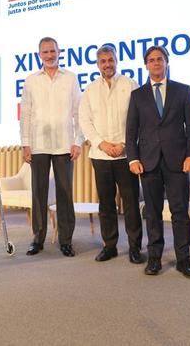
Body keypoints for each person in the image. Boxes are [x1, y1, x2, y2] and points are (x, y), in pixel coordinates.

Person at [126, 45, 190, 279]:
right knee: (153, 212)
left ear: (166, 62)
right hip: (148, 162)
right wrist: (133, 158)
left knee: (179, 211)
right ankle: (155, 258)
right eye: (151, 60)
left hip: (178, 161)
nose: (156, 63)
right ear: (146, 65)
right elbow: (131, 131)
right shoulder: (138, 95)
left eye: (160, 59)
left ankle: (183, 260)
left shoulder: (182, 90)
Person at [79, 44, 143, 263]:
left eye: (110, 60)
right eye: (103, 61)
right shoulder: (89, 90)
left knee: (131, 203)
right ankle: (110, 246)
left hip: (127, 156)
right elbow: (85, 122)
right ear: (98, 64)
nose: (107, 64)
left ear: (117, 60)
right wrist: (102, 144)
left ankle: (135, 248)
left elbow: (138, 118)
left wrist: (125, 144)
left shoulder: (130, 85)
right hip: (101, 156)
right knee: (106, 204)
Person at [20, 36, 84, 257]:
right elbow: (25, 114)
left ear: (59, 52)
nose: (49, 55)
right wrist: (25, 144)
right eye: (45, 52)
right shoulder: (31, 80)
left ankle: (66, 240)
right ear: (39, 55)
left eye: (52, 51)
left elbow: (79, 112)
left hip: (64, 145)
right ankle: (38, 239)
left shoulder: (71, 78)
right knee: (38, 193)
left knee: (65, 194)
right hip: (38, 145)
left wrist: (78, 141)